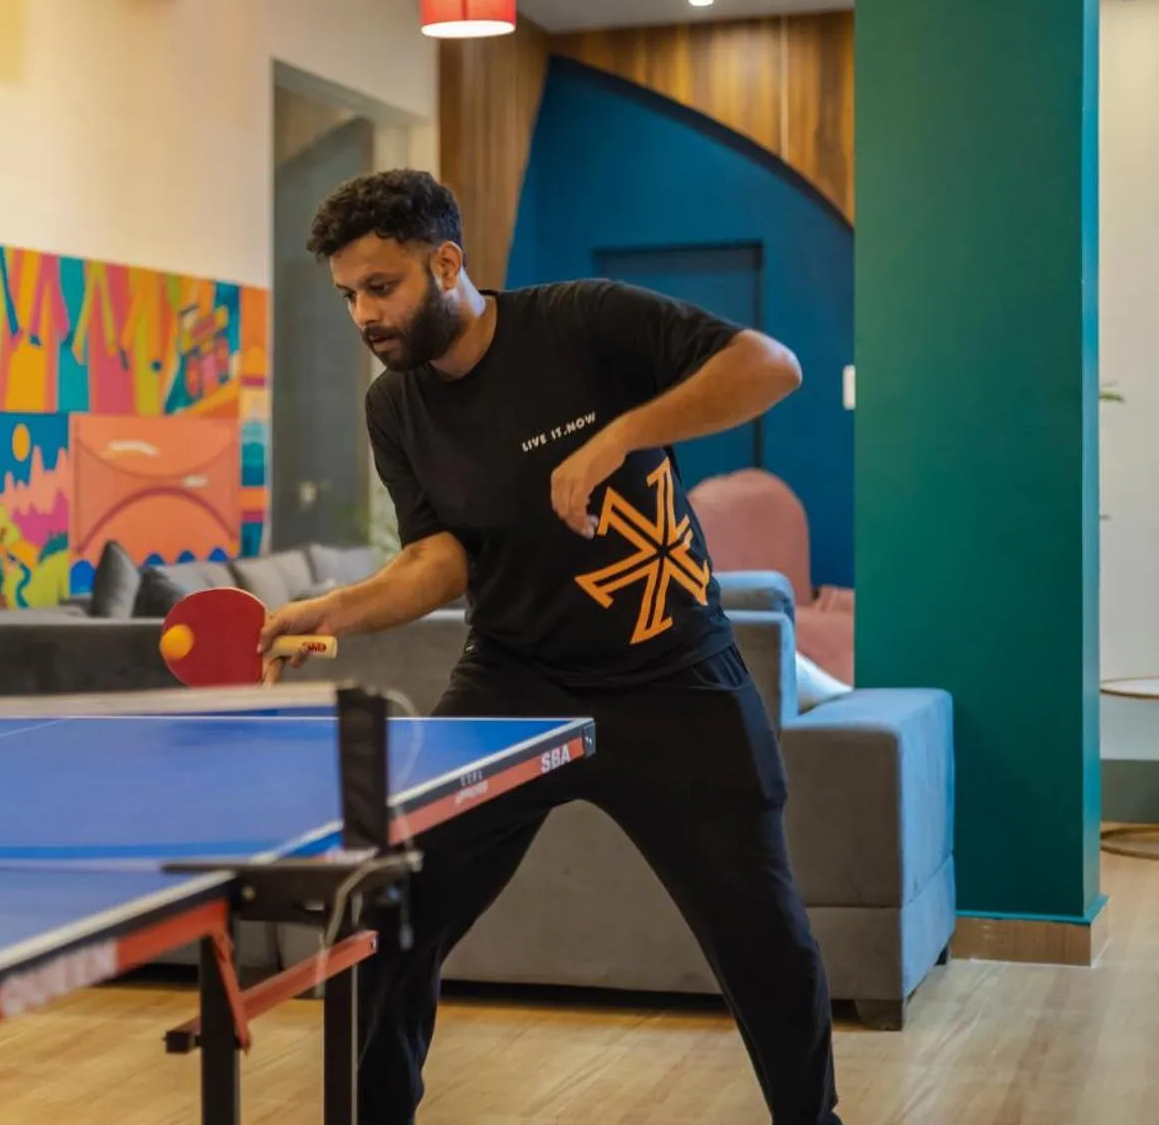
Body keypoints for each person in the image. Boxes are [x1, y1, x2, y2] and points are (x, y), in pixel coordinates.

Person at [258, 169, 842, 1125]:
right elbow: (439, 559)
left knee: (765, 947)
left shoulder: (584, 321)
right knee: (386, 917)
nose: (364, 313)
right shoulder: (394, 407)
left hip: (676, 681)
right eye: (348, 295)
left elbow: (771, 366)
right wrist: (335, 607)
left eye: (382, 286)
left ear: (447, 263)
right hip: (514, 684)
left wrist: (625, 435)